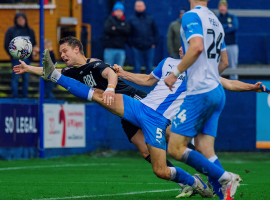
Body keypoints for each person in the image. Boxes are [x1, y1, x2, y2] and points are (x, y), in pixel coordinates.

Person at [164, 0, 240, 199]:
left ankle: (225, 177)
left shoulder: (191, 16)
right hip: (216, 91)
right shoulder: (215, 20)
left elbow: (196, 47)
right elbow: (225, 62)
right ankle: (225, 195)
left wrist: (175, 73)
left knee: (175, 147)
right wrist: (210, 76)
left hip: (200, 92)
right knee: (205, 150)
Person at [4, 12, 39, 98]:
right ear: (16, 20)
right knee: (15, 78)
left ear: (25, 20)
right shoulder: (11, 30)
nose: (20, 20)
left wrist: (34, 53)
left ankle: (24, 97)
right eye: (18, 19)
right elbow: (6, 44)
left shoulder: (30, 31)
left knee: (26, 78)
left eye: (22, 19)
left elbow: (34, 44)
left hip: (27, 59)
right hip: (16, 59)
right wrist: (11, 54)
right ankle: (15, 97)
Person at [128, 0, 159, 74]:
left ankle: (149, 85)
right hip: (136, 48)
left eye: (141, 6)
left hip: (149, 47)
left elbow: (156, 32)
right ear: (135, 8)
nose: (139, 8)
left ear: (144, 7)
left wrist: (154, 43)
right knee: (137, 67)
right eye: (137, 6)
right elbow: (128, 34)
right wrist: (132, 44)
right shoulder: (131, 19)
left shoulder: (150, 18)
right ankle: (134, 85)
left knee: (149, 67)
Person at [103, 1, 130, 67]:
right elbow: (107, 30)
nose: (118, 12)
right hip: (109, 49)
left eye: (120, 11)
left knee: (119, 70)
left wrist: (115, 28)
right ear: (114, 11)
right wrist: (121, 29)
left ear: (123, 12)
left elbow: (127, 31)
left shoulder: (125, 22)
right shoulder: (109, 20)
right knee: (108, 69)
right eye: (117, 10)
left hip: (121, 49)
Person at [218, 0, 239, 80]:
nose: (222, 7)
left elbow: (235, 27)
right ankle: (221, 84)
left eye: (224, 6)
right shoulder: (217, 18)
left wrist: (222, 28)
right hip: (220, 47)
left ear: (226, 7)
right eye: (220, 6)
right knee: (220, 65)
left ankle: (235, 84)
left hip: (232, 45)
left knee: (233, 66)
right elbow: (216, 29)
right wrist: (228, 26)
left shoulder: (232, 17)